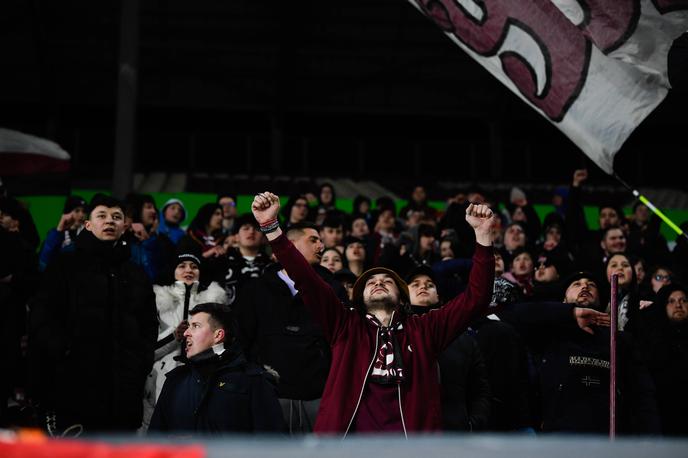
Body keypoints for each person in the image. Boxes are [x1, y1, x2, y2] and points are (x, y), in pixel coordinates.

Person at [251, 191, 495, 435]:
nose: (378, 283)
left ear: (401, 297)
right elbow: (306, 278)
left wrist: (483, 236)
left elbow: (476, 299)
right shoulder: (344, 325)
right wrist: (271, 227)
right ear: (360, 298)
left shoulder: (425, 328)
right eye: (370, 282)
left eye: (387, 281)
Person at [28, 194, 158, 433]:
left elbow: (149, 324)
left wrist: (140, 362)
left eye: (116, 217)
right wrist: (64, 352)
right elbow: (42, 317)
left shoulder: (135, 273)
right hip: (72, 391)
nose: (109, 221)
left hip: (123, 396)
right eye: (102, 215)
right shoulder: (65, 265)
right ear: (88, 224)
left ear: (124, 225)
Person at [234, 222, 346, 434]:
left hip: (321, 397)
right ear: (290, 244)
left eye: (321, 241)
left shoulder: (333, 288)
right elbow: (241, 340)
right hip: (269, 398)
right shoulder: (255, 289)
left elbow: (342, 340)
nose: (321, 246)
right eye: (313, 240)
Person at [149, 302, 284, 434]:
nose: (186, 333)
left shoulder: (254, 382)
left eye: (195, 326)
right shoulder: (175, 380)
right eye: (188, 326)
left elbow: (274, 444)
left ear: (218, 335)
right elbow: (154, 443)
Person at [140, 251, 229, 430]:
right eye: (182, 266)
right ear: (173, 271)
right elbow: (145, 345)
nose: (188, 270)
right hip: (160, 375)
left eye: (194, 266)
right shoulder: (157, 300)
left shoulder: (214, 303)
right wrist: (174, 336)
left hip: (202, 376)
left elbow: (222, 343)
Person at [406, 265, 491, 431]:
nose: (423, 286)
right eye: (415, 284)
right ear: (403, 295)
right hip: (409, 436)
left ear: (439, 296)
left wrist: (473, 424)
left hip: (455, 435)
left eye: (430, 285)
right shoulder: (395, 334)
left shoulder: (463, 338)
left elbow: (480, 390)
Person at [632, 283, 688, 436]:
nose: (678, 305)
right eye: (671, 301)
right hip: (662, 415)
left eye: (683, 300)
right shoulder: (652, 342)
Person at [38, 195, 87, 271]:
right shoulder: (56, 233)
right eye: (77, 211)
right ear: (67, 213)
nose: (81, 215)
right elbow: (43, 262)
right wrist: (59, 229)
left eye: (84, 211)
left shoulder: (87, 233)